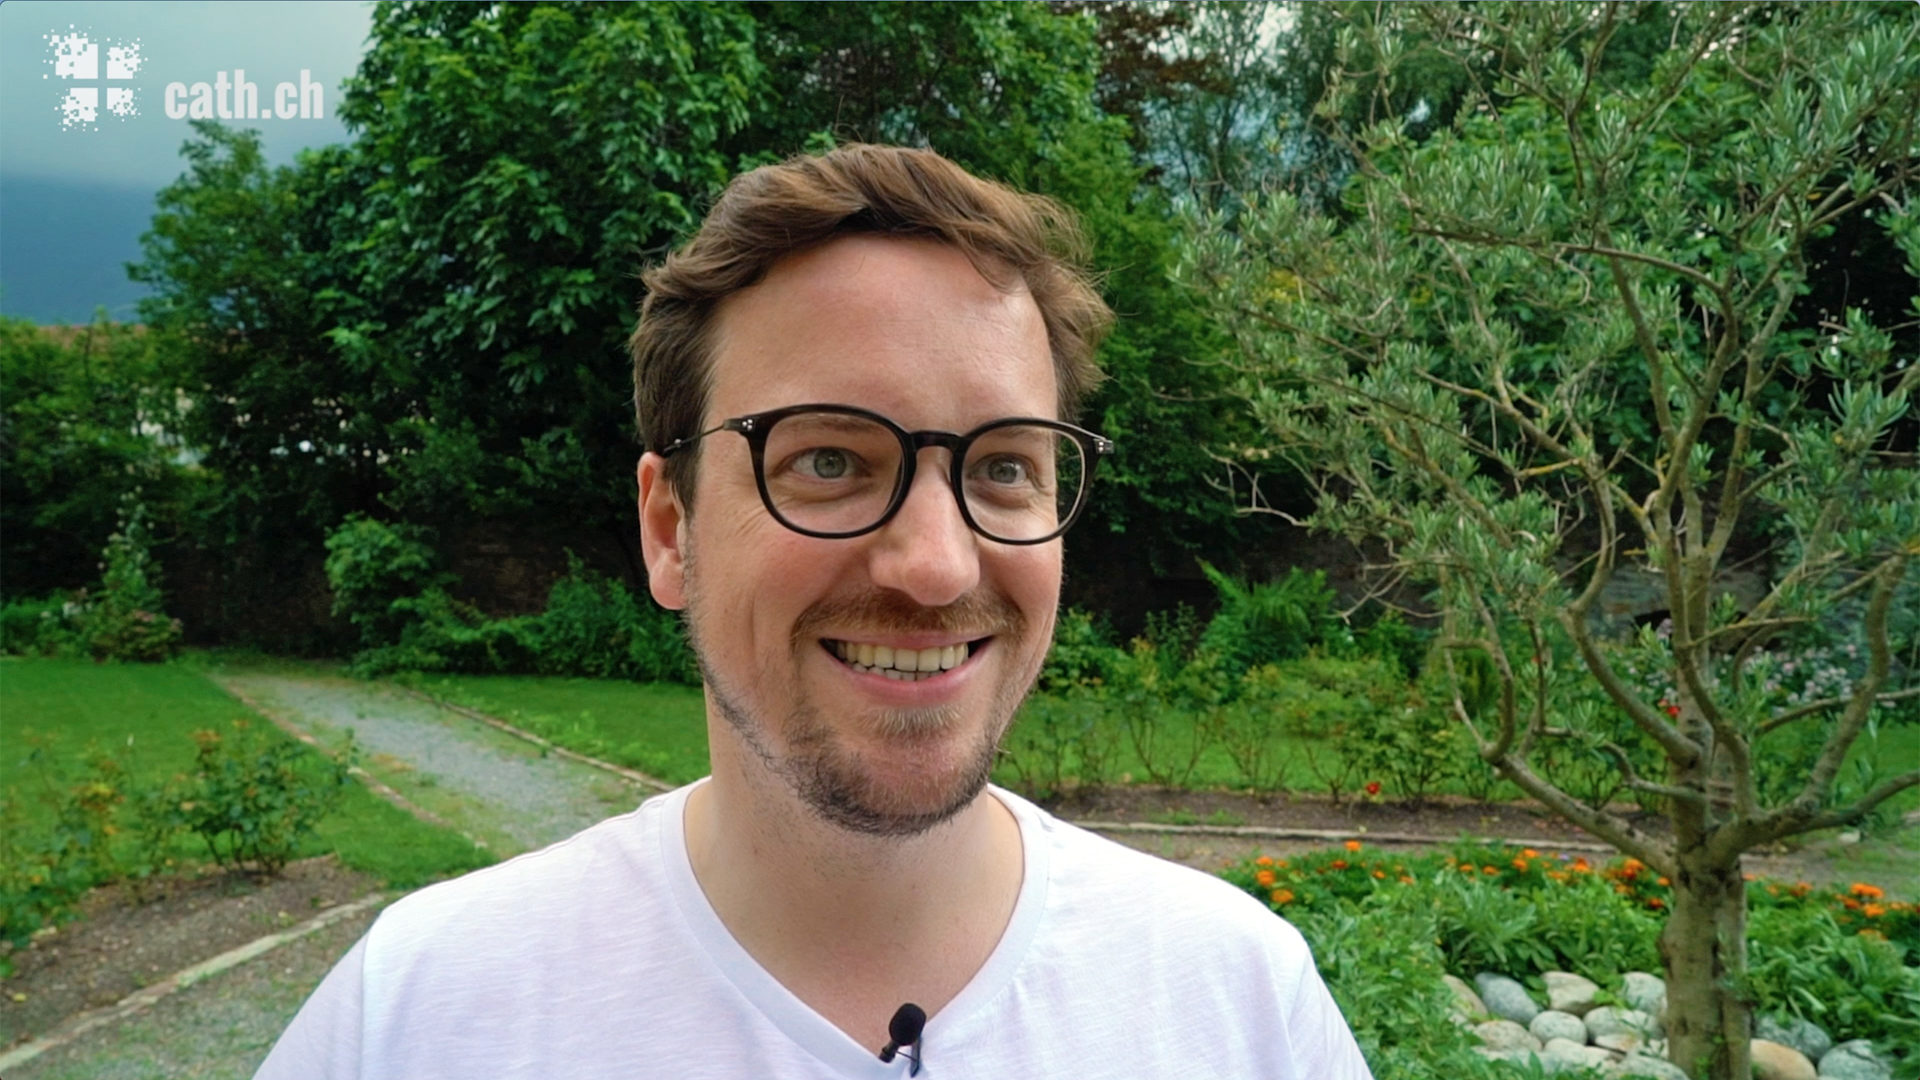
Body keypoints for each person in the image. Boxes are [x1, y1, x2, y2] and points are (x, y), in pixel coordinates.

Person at [255, 144, 1374, 1079]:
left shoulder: (1240, 1007)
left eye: (1003, 469)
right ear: (669, 529)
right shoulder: (421, 1016)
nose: (936, 567)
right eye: (829, 458)